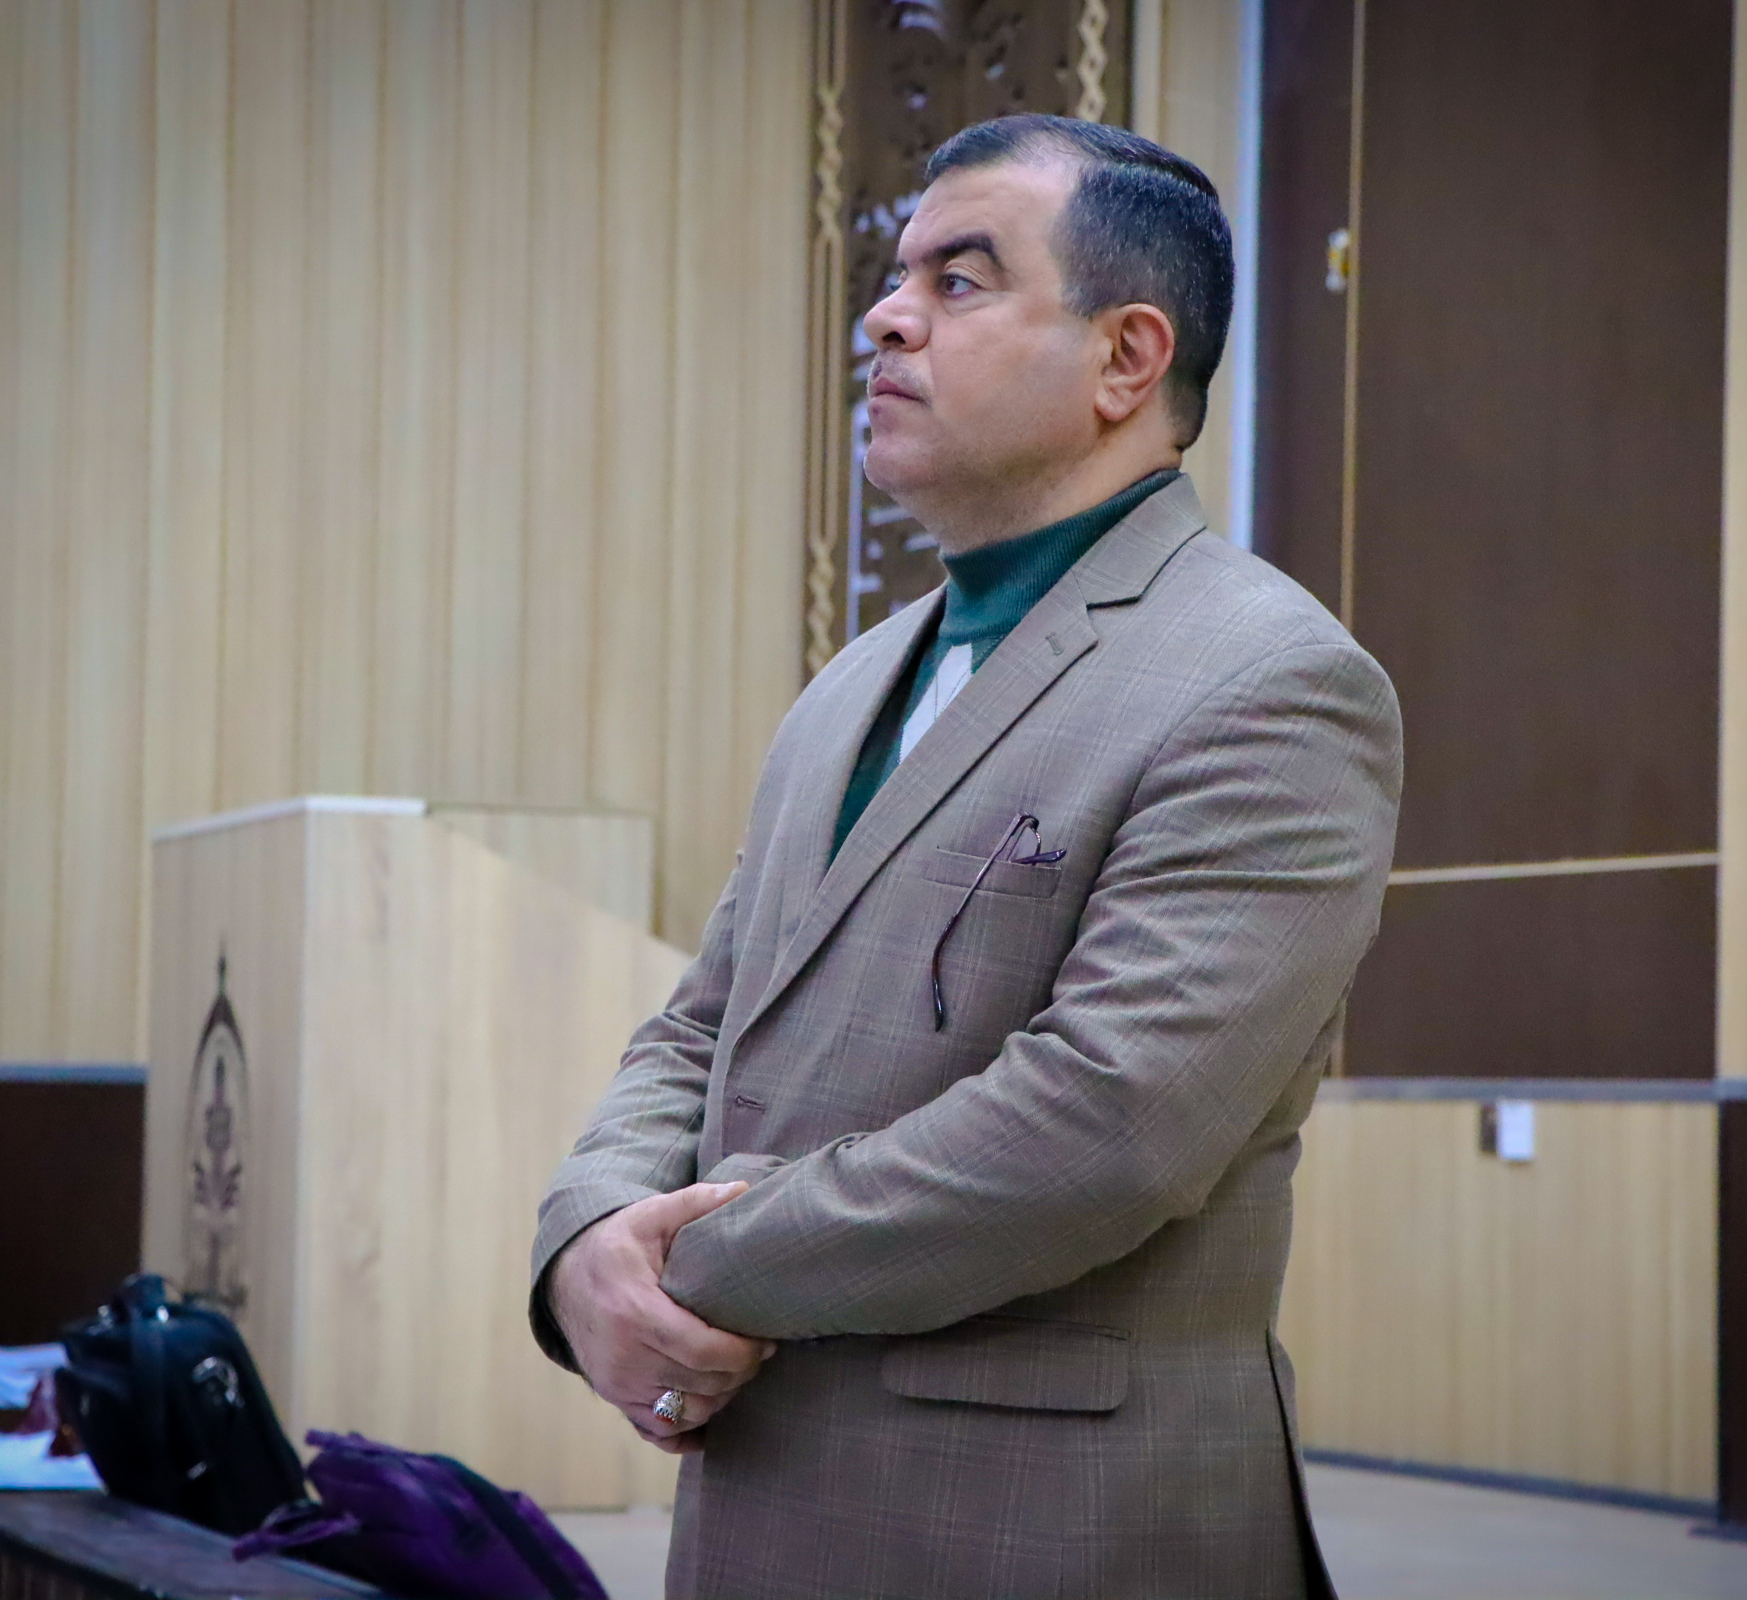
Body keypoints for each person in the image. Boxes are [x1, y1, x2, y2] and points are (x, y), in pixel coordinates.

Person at [528, 114, 1401, 1599]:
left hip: (1044, 1532)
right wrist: (588, 1236)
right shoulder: (850, 686)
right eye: (895, 276)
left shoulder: (1271, 682)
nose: (886, 316)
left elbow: (1103, 1127)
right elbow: (705, 1025)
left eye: (961, 279)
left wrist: (679, 1273)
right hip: (762, 1510)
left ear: (1128, 357)